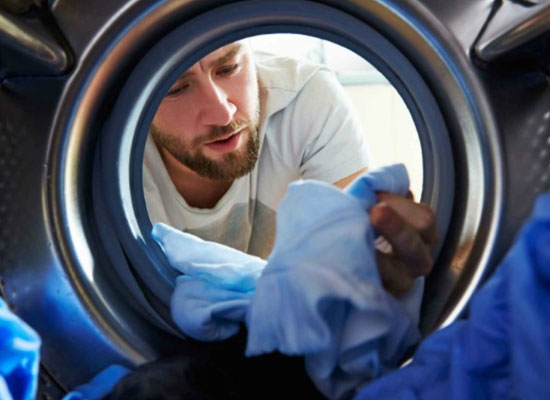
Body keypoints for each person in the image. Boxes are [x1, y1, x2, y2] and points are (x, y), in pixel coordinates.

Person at [143, 39, 437, 295]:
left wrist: (380, 253)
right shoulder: (110, 154)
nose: (222, 114)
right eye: (177, 88)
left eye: (229, 68)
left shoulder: (306, 100)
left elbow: (355, 252)